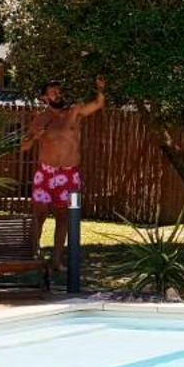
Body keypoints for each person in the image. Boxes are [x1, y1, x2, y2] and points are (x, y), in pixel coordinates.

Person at [23, 75, 107, 260]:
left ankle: (56, 260)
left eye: (59, 91)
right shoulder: (40, 119)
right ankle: (32, 257)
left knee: (63, 218)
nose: (57, 94)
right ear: (44, 98)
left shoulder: (74, 112)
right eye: (52, 92)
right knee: (39, 215)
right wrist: (35, 137)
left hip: (69, 173)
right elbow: (24, 146)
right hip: (45, 172)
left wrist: (100, 89)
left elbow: (98, 104)